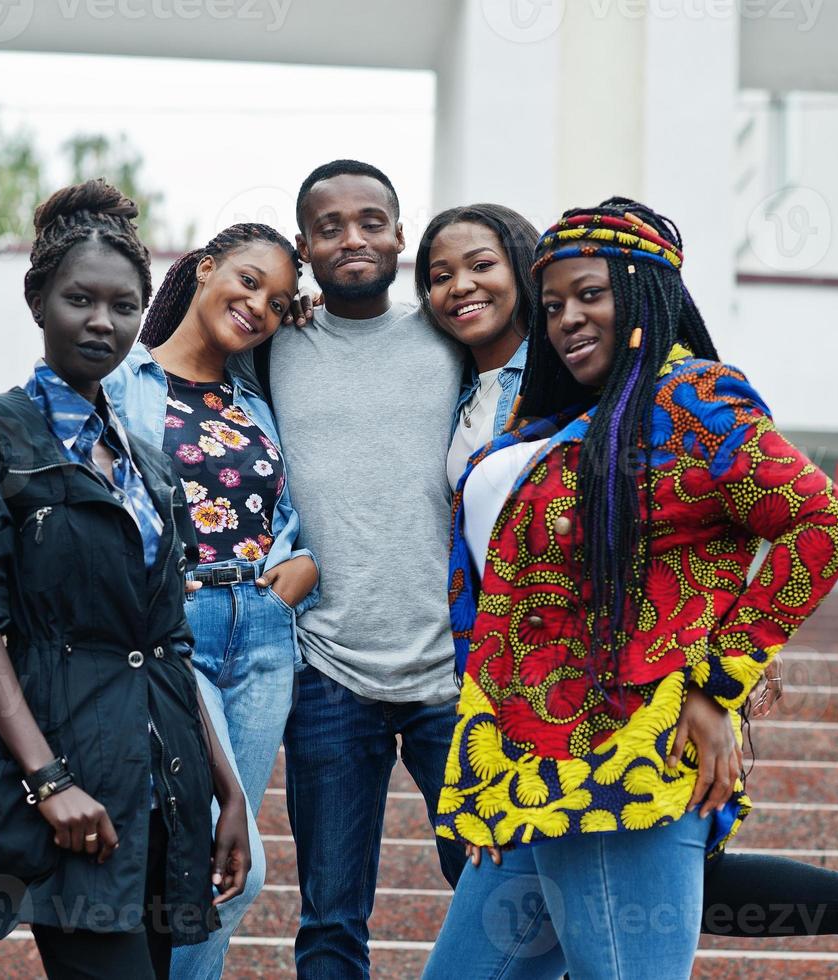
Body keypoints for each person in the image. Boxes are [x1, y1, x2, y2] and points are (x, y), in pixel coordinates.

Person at [413, 202, 838, 980]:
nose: (565, 319)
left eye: (589, 294)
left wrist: (717, 681)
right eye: (551, 305)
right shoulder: (555, 422)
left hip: (615, 761)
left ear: (643, 293)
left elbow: (822, 523)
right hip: (527, 766)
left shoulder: (689, 399)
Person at [0, 180, 251, 980]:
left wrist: (228, 790)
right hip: (72, 789)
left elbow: (169, 639)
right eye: (80, 299)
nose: (102, 322)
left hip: (166, 786)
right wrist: (47, 782)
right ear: (40, 302)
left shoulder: (147, 461)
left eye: (124, 305)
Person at [227, 159, 468, 978]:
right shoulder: (271, 347)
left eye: (371, 221)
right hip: (327, 670)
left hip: (452, 671)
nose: (352, 238)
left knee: (494, 891)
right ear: (305, 248)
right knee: (330, 918)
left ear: (401, 234)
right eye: (328, 228)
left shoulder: (451, 339)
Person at [100, 222, 321, 979]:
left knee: (216, 860)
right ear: (202, 270)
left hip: (264, 637)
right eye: (249, 281)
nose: (259, 304)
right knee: (237, 865)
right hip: (175, 631)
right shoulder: (124, 381)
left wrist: (303, 564)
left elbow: (286, 511)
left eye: (278, 300)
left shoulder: (255, 400)